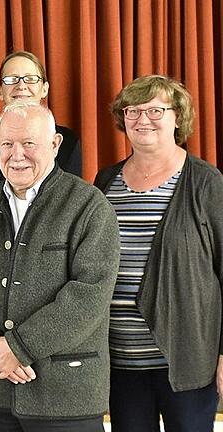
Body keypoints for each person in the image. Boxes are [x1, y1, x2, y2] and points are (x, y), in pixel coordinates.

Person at [0, 102, 120, 432]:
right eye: (7, 144)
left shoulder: (90, 205)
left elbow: (90, 294)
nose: (17, 154)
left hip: (68, 397)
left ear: (54, 145)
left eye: (29, 143)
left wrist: (19, 348)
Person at [93, 75, 223, 432]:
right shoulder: (105, 181)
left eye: (155, 110)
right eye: (132, 110)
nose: (142, 119)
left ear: (177, 117)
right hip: (121, 362)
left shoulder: (206, 182)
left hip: (187, 362)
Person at [0, 50, 81, 183]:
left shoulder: (69, 141)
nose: (21, 86)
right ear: (0, 91)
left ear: (44, 89)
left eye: (31, 79)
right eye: (11, 79)